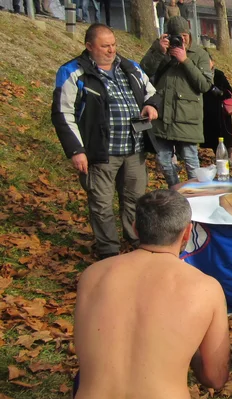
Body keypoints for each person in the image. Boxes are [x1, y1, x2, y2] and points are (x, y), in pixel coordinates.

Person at [67, 189, 230, 399]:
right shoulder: (205, 288)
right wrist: (187, 349)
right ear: (187, 233)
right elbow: (215, 378)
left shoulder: (92, 275)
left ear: (135, 228)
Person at [52, 24, 160, 260]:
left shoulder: (130, 67)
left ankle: (136, 242)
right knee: (101, 204)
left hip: (134, 149)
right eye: (105, 46)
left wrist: (151, 105)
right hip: (100, 152)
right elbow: (62, 113)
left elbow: (152, 92)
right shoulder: (73, 72)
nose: (111, 50)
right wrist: (76, 150)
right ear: (89, 46)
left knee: (135, 200)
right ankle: (109, 252)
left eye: (113, 45)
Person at [141, 16, 212, 188]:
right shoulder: (161, 50)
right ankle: (176, 191)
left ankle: (195, 196)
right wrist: (159, 51)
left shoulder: (200, 54)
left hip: (187, 118)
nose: (181, 39)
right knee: (164, 161)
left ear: (189, 34)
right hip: (163, 117)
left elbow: (204, 85)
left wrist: (185, 60)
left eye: (184, 35)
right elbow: (143, 72)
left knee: (191, 161)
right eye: (176, 36)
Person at [201, 54, 232, 153]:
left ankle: (228, 155)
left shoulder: (219, 74)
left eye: (208, 62)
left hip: (220, 110)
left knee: (224, 135)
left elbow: (229, 91)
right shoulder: (200, 75)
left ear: (212, 62)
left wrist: (216, 90)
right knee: (211, 135)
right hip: (206, 110)